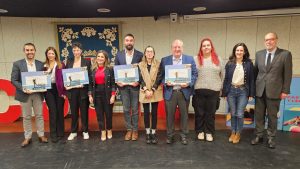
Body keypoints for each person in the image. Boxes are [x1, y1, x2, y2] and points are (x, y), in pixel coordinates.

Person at [251, 32, 293, 149]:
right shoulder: (259, 54)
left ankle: (271, 137)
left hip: (275, 91)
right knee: (259, 115)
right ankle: (259, 135)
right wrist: (253, 90)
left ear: (276, 40)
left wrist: (285, 91)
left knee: (272, 116)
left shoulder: (285, 54)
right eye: (266, 40)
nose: (268, 42)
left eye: (271, 39)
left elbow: (288, 74)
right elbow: (255, 73)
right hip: (260, 91)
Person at [156, 39, 197, 145]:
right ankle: (170, 135)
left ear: (182, 48)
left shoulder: (190, 59)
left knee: (184, 115)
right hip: (170, 92)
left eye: (179, 47)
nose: (177, 49)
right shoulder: (165, 60)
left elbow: (194, 74)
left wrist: (189, 83)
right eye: (175, 47)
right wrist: (166, 82)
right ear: (172, 48)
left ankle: (184, 135)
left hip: (184, 92)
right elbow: (160, 76)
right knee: (170, 115)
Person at [11, 43, 48, 147]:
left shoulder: (41, 64)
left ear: (35, 51)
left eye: (31, 50)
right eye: (27, 50)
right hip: (24, 94)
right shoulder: (17, 64)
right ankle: (27, 137)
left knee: (39, 115)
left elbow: (44, 79)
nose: (30, 52)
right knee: (26, 116)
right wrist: (24, 88)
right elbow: (13, 80)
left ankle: (41, 135)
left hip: (37, 94)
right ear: (24, 51)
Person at [192, 38, 224, 142]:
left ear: (211, 47)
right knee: (199, 113)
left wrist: (221, 89)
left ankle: (209, 132)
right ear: (201, 48)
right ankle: (200, 131)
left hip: (214, 90)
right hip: (199, 90)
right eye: (204, 45)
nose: (206, 47)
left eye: (208, 45)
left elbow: (223, 75)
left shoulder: (218, 59)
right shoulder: (195, 59)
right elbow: (191, 74)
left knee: (210, 114)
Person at [222, 43, 255, 144]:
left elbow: (252, 79)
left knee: (240, 114)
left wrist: (251, 94)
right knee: (233, 113)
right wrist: (224, 93)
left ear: (244, 52)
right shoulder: (229, 63)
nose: (239, 52)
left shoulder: (249, 63)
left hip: (243, 91)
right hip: (231, 91)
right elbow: (226, 79)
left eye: (241, 50)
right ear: (234, 51)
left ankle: (238, 133)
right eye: (237, 50)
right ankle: (233, 132)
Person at [114, 33, 143, 141]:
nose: (129, 42)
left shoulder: (140, 55)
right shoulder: (119, 55)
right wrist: (118, 82)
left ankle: (135, 130)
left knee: (135, 109)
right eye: (127, 40)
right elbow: (116, 70)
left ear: (134, 41)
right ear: (124, 42)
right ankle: (129, 130)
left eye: (131, 40)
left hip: (135, 86)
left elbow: (142, 71)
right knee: (126, 109)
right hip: (123, 87)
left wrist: (138, 81)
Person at [66, 42, 91, 141]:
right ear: (72, 51)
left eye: (78, 50)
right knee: (74, 113)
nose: (76, 52)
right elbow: (66, 76)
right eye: (74, 50)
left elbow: (89, 77)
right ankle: (73, 132)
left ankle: (85, 131)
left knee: (84, 112)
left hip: (83, 90)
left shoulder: (86, 62)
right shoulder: (69, 61)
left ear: (81, 51)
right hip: (72, 91)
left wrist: (85, 85)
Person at [89, 50, 116, 141]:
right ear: (96, 58)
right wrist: (90, 95)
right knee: (99, 115)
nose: (100, 58)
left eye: (102, 57)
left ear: (105, 59)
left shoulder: (110, 69)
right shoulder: (92, 70)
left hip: (107, 94)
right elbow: (90, 84)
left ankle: (109, 130)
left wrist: (113, 95)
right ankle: (103, 131)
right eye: (98, 56)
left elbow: (113, 83)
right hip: (96, 94)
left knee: (108, 114)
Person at [138, 46, 163, 144]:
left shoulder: (158, 64)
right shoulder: (140, 65)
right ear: (145, 53)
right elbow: (139, 78)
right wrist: (145, 89)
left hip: (155, 90)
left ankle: (154, 132)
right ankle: (147, 132)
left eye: (151, 51)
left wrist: (152, 89)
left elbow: (159, 77)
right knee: (146, 113)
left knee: (154, 112)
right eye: (147, 51)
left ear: (154, 53)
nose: (149, 53)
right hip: (144, 91)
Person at [44, 47, 66, 143]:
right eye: (49, 53)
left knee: (60, 111)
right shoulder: (44, 65)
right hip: (49, 90)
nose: (51, 55)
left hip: (59, 90)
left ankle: (61, 133)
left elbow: (65, 79)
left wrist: (64, 93)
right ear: (47, 55)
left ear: (55, 54)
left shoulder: (61, 65)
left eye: (52, 53)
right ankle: (53, 134)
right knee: (53, 111)